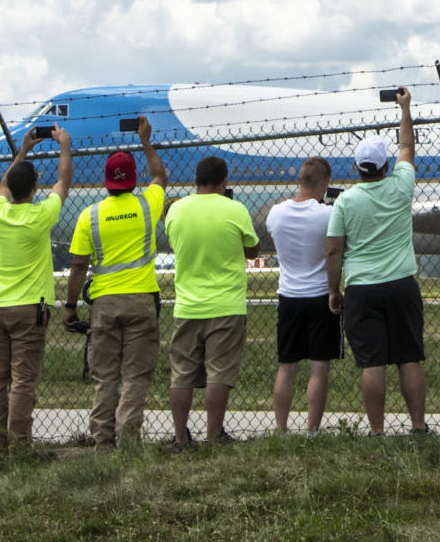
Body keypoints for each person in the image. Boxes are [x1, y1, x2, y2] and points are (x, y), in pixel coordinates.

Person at [326, 87, 429, 435]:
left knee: (372, 362)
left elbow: (334, 251)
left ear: (356, 167)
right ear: (386, 166)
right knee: (409, 357)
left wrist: (333, 290)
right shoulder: (401, 185)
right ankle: (418, 427)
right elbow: (407, 147)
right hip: (401, 284)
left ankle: (377, 431)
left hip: (362, 287)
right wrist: (405, 108)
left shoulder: (345, 202)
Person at [64, 117, 170, 448]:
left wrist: (70, 306)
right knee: (136, 376)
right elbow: (161, 177)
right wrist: (146, 141)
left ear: (106, 180)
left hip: (105, 303)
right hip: (140, 299)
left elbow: (79, 265)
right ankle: (128, 438)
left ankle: (103, 441)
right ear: (133, 179)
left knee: (104, 377)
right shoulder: (146, 205)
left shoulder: (90, 215)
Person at [0, 125, 72, 457]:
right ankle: (20, 446)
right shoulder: (39, 216)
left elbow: (4, 185)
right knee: (22, 381)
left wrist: (23, 150)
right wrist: (64, 146)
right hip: (28, 309)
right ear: (36, 187)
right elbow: (63, 183)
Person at [166, 154, 261, 449]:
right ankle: (214, 434)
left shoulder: (176, 210)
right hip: (226, 304)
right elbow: (253, 250)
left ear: (195, 180)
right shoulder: (235, 209)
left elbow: (174, 241)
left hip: (187, 305)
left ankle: (181, 437)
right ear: (224, 182)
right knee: (219, 373)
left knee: (181, 374)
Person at [266, 157, 341, 434]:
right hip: (320, 295)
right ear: (324, 183)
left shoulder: (276, 213)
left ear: (300, 180)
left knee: (286, 367)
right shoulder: (327, 214)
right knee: (319, 368)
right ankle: (312, 430)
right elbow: (334, 250)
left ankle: (281, 429)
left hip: (289, 296)